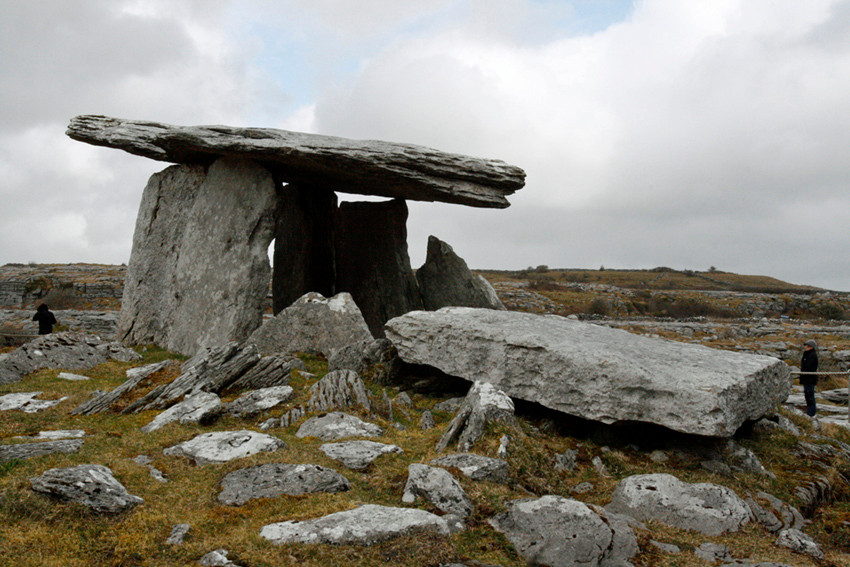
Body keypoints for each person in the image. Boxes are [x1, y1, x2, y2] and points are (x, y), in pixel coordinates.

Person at [800, 339, 819, 417]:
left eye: (807, 346)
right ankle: (809, 411)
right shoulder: (807, 354)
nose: (806, 347)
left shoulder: (812, 355)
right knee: (807, 396)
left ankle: (811, 413)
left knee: (810, 395)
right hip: (806, 378)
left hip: (809, 378)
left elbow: (809, 367)